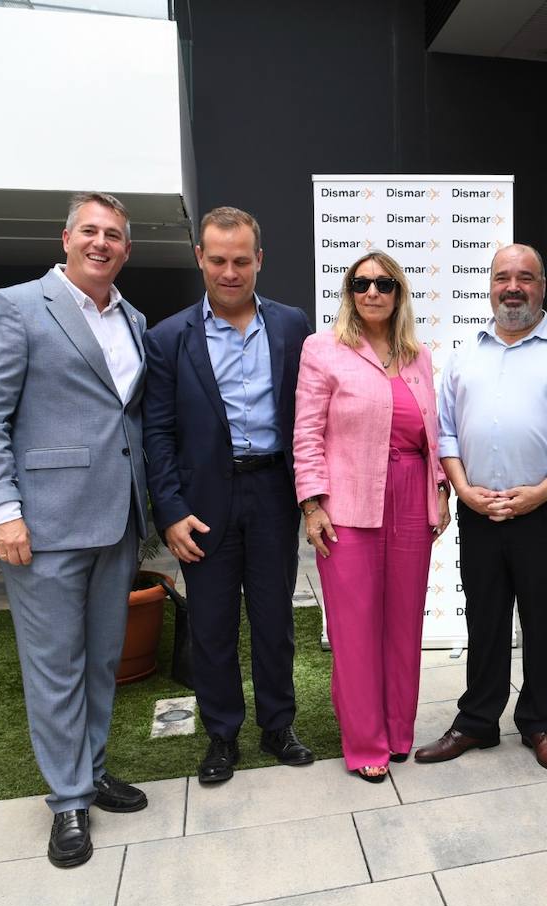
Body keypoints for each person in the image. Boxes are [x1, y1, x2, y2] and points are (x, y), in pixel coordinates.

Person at [0, 192, 150, 868]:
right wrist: (1, 508)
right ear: (65, 238)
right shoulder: (15, 306)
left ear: (127, 248)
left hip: (116, 518)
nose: (102, 242)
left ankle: (92, 770)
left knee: (101, 659)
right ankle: (67, 798)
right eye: (90, 231)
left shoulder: (134, 317)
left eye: (115, 235)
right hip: (42, 523)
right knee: (54, 666)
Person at [415, 244, 547, 773]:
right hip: (480, 511)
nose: (513, 287)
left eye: (526, 278)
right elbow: (444, 430)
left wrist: (542, 491)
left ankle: (540, 721)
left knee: (543, 621)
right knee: (486, 619)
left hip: (546, 511)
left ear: (544, 286)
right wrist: (463, 489)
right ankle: (477, 721)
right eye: (503, 277)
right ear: (490, 285)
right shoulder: (465, 354)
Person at [143, 207, 315, 785]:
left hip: (273, 490)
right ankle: (221, 736)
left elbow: (311, 415)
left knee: (274, 619)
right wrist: (170, 511)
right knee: (212, 624)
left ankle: (278, 725)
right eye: (218, 260)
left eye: (242, 260)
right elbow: (157, 433)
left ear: (259, 260)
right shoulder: (168, 338)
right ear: (200, 258)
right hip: (204, 502)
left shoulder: (293, 325)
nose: (230, 271)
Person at [293, 250, 450, 782]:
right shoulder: (322, 349)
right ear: (350, 293)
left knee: (403, 624)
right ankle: (365, 743)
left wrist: (441, 491)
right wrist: (312, 504)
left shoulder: (419, 356)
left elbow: (434, 434)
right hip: (348, 503)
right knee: (356, 629)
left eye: (384, 283)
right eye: (361, 284)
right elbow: (307, 433)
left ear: (399, 292)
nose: (373, 292)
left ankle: (398, 732)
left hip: (411, 496)